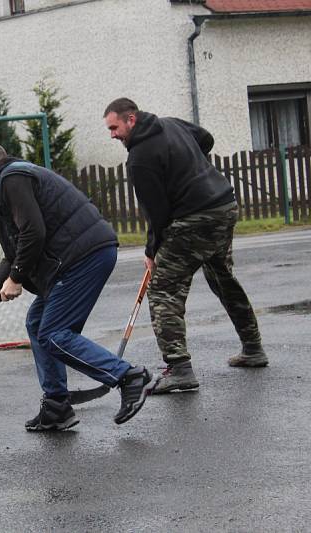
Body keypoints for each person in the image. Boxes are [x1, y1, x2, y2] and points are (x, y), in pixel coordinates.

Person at [0, 141, 157, 431]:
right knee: (38, 321)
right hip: (79, 256)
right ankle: (56, 406)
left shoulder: (12, 180)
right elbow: (15, 250)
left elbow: (33, 232)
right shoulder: (9, 183)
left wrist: (16, 279)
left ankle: (128, 376)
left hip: (84, 256)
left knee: (53, 333)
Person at [103, 98, 267, 393]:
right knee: (222, 277)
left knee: (164, 290)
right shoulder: (172, 124)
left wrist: (152, 251)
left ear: (132, 119)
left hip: (195, 218)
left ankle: (179, 369)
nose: (112, 134)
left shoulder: (140, 157)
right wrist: (190, 164)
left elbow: (157, 212)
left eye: (115, 127)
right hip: (224, 208)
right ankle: (253, 348)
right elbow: (206, 139)